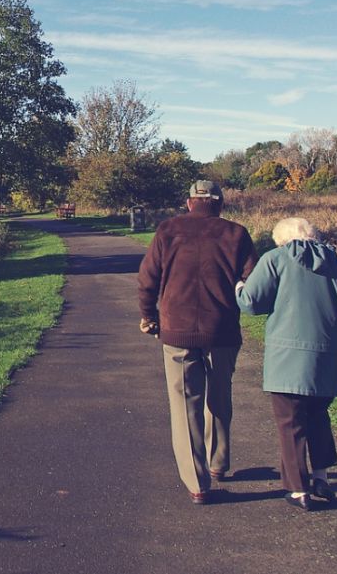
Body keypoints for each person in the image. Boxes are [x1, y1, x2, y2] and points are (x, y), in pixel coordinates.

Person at [235, 217, 337, 511]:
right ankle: (321, 476)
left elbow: (251, 302)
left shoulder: (275, 260)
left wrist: (238, 287)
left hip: (286, 360)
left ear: (281, 240)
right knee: (318, 415)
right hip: (328, 359)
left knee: (291, 422)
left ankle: (298, 489)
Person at [137, 180, 258, 504]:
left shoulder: (167, 230)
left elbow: (147, 279)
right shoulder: (236, 234)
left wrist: (149, 316)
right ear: (219, 203)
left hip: (177, 330)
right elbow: (252, 281)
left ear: (189, 202)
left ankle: (198, 483)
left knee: (184, 406)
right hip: (222, 330)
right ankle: (218, 463)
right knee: (219, 397)